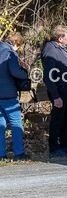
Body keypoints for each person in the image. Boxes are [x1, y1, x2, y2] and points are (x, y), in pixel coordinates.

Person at [43, 25, 67, 156]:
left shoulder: (61, 49)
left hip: (66, 88)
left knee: (66, 118)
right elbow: (48, 76)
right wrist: (55, 96)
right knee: (58, 119)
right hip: (59, 89)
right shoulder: (50, 50)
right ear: (60, 38)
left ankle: (64, 144)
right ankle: (54, 147)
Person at [0, 30, 30, 160]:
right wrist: (25, 73)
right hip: (8, 94)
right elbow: (14, 71)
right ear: (16, 43)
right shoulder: (9, 53)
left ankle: (1, 154)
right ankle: (19, 152)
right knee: (16, 123)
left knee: (0, 126)